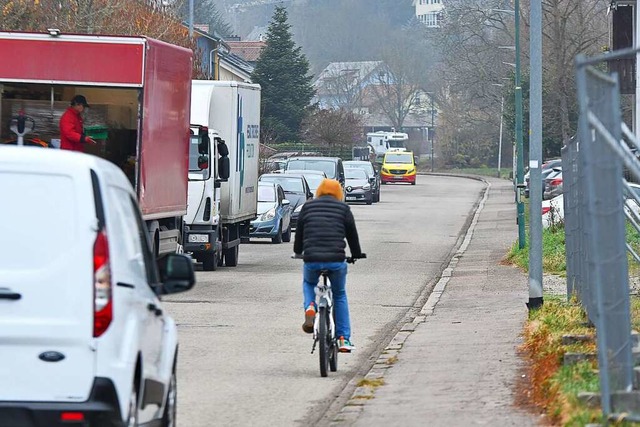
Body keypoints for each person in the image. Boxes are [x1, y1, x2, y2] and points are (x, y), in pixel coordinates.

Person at [293, 178, 364, 353]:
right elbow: (352, 235)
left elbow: (299, 234)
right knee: (339, 295)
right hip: (336, 260)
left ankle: (310, 306)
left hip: (312, 259)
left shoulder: (308, 207)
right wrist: (356, 254)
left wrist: (299, 251)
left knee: (309, 283)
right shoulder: (343, 209)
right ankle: (343, 339)